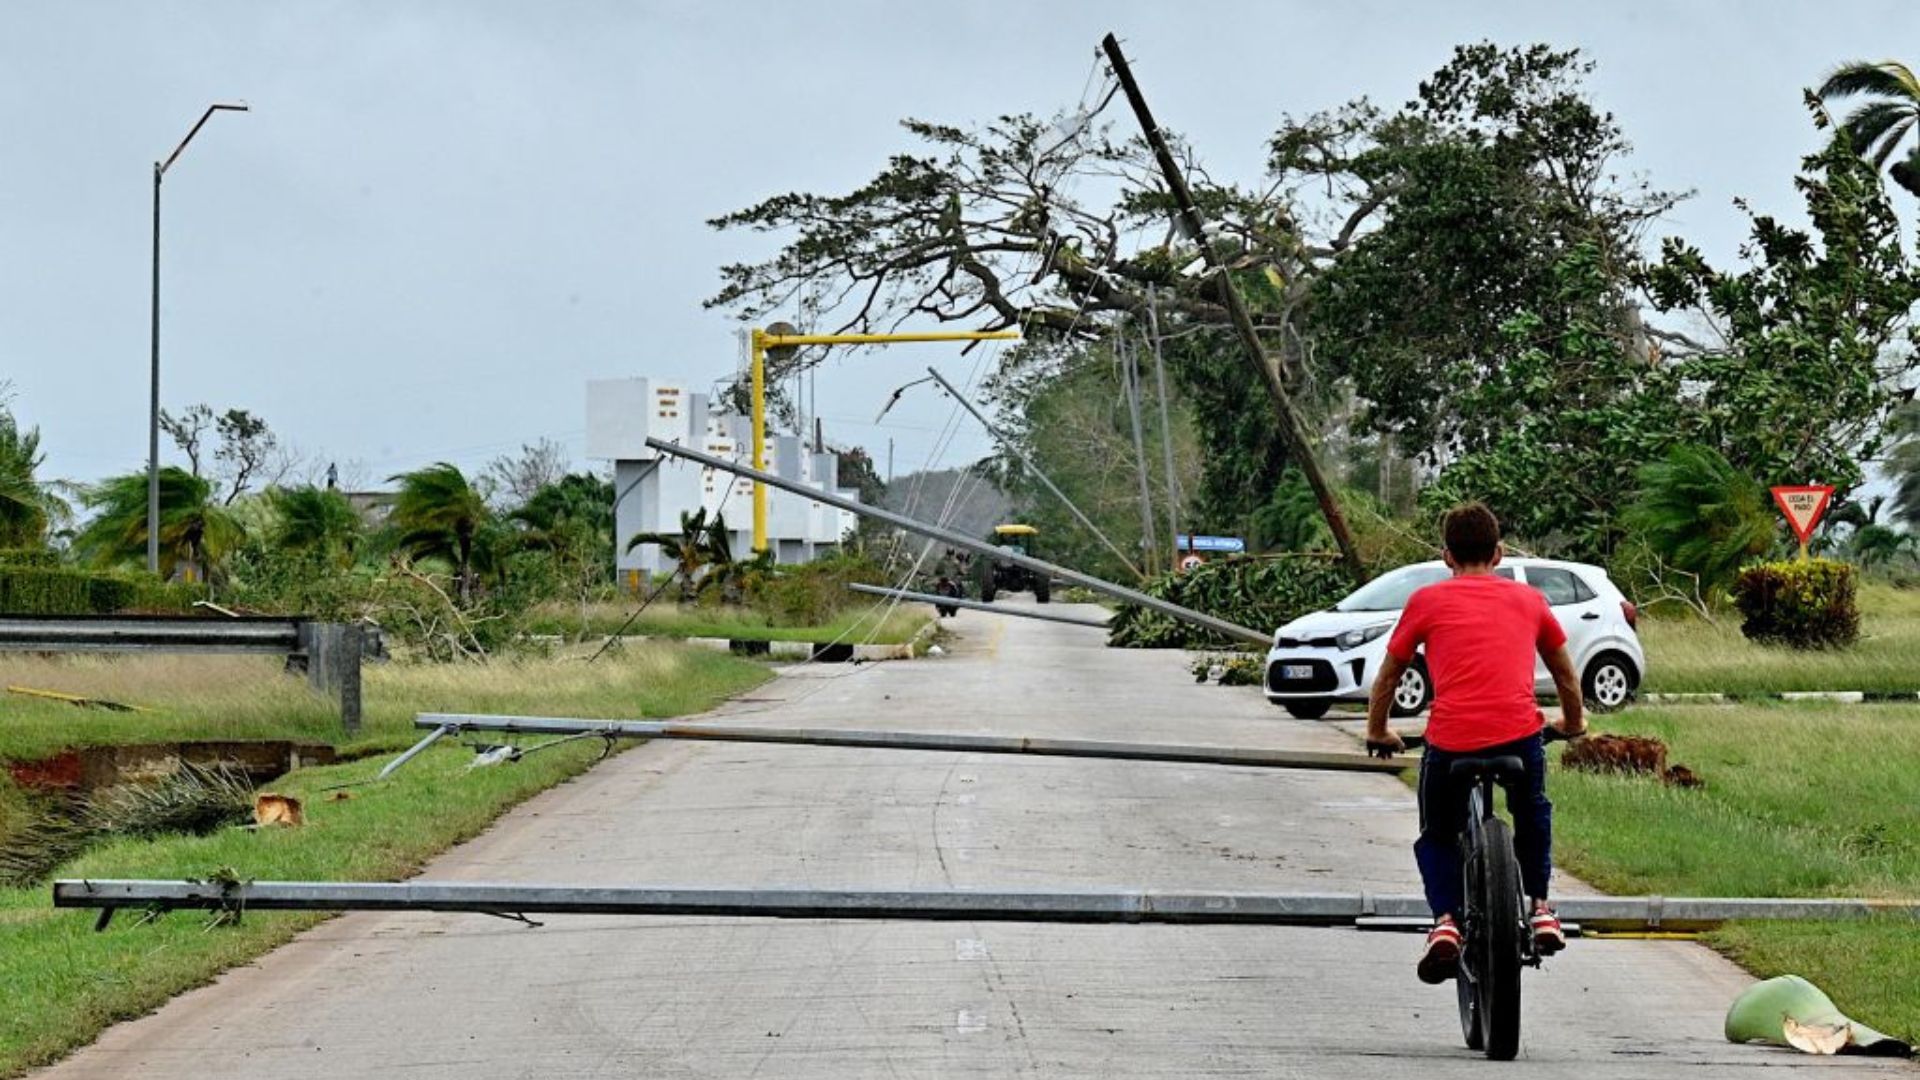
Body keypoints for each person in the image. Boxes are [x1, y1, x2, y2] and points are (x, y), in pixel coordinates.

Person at [1365, 503, 1586, 984]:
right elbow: (1566, 673)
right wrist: (1572, 722)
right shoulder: (1529, 601)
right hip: (1520, 735)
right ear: (1500, 553)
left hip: (1451, 741)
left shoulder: (1426, 601)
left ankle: (1445, 921)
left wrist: (1378, 731)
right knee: (1532, 810)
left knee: (1438, 832)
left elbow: (1388, 676)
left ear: (1447, 556)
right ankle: (1542, 907)